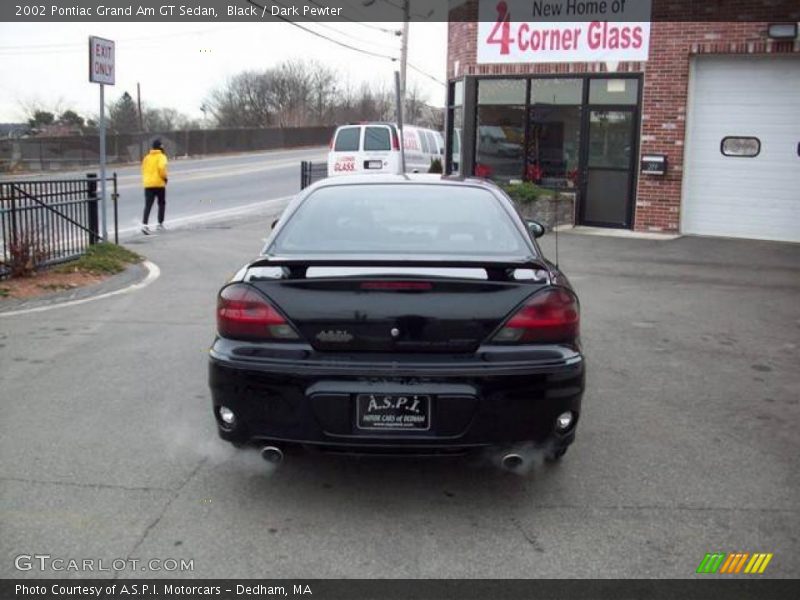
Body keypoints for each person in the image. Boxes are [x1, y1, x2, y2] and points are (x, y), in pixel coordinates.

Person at [141, 139, 168, 235]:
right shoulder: (162, 157)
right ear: (160, 147)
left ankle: (144, 225)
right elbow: (162, 168)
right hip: (159, 184)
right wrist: (165, 178)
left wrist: (147, 179)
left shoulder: (147, 157)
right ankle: (160, 224)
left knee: (148, 205)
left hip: (148, 184)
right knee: (161, 203)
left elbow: (143, 169)